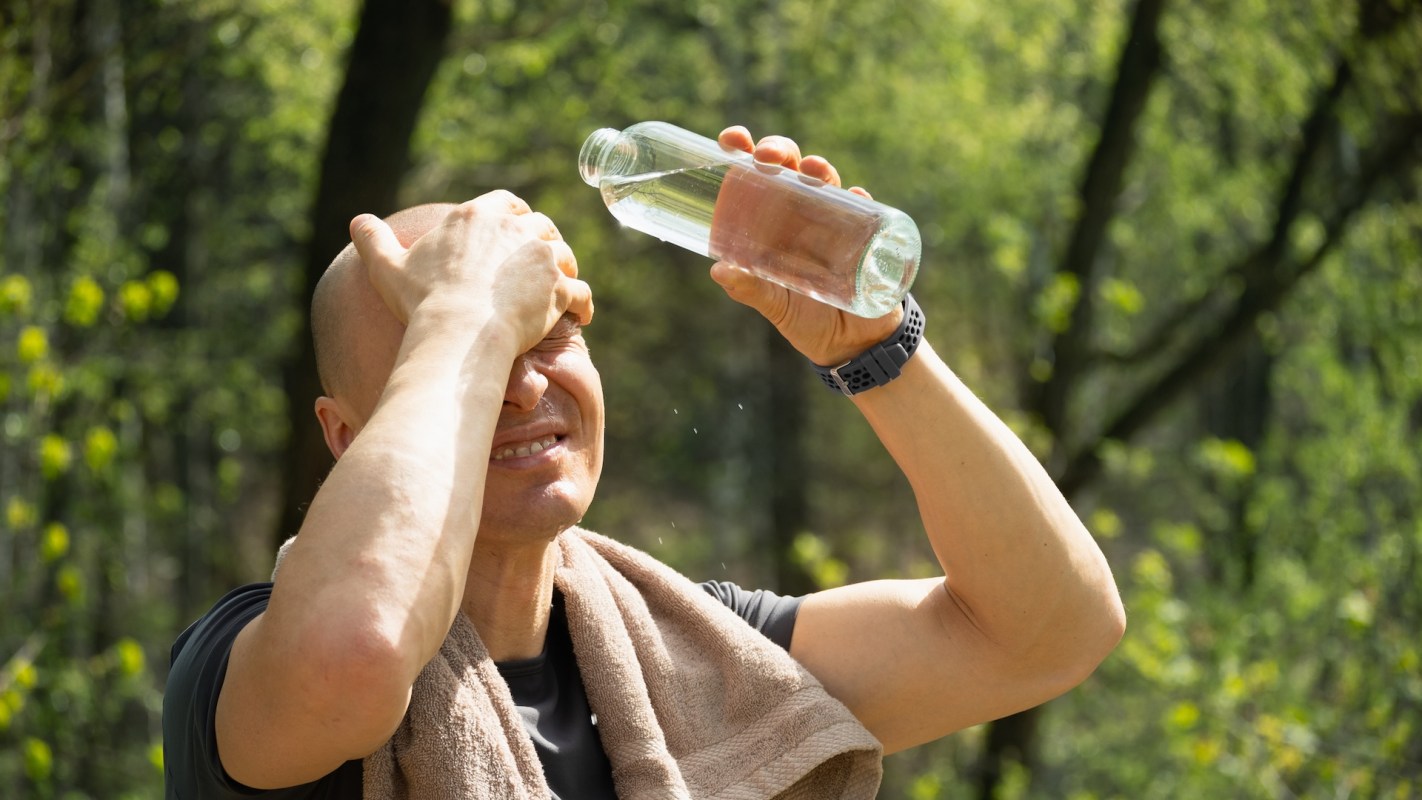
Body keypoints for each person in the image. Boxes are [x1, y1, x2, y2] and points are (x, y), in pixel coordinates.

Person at [162, 126, 1125, 799]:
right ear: (344, 436)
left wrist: (874, 351)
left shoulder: (701, 657)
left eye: (550, 333)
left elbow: (1047, 632)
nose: (524, 386)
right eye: (471, 350)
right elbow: (355, 655)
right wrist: (462, 312)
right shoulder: (243, 665)